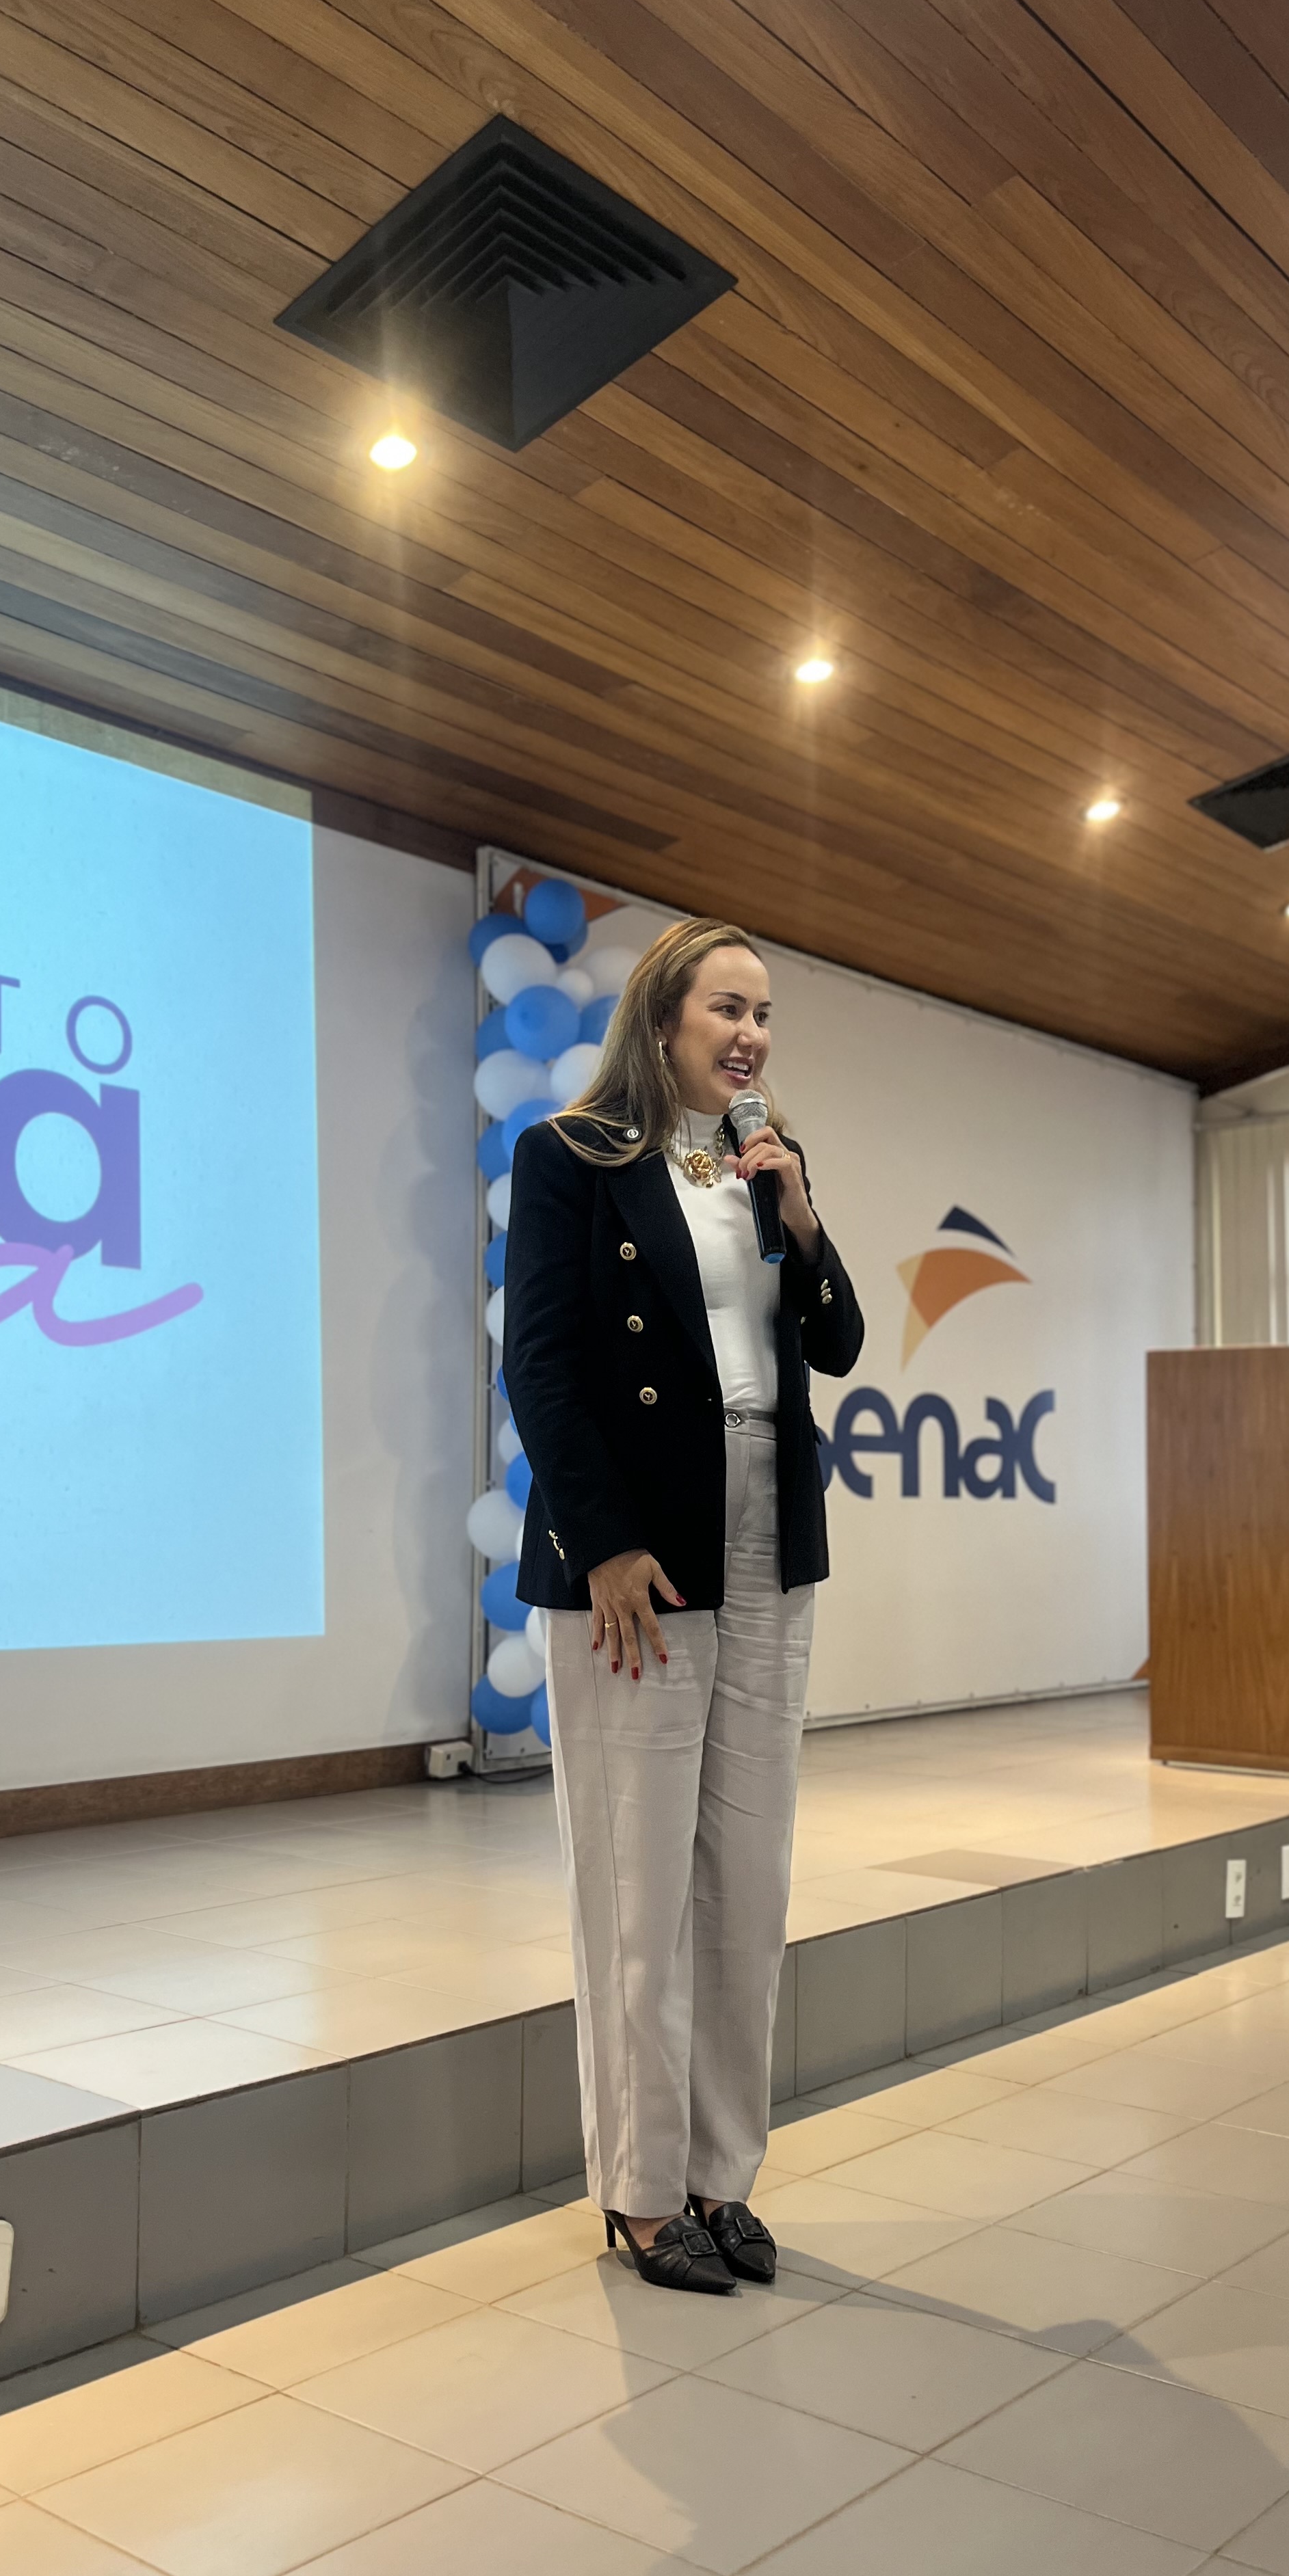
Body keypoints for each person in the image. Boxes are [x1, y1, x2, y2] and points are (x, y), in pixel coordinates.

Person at [503, 919, 864, 2292]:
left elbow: (837, 1341)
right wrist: (599, 1542)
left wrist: (801, 1216)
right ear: (662, 1019)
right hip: (639, 1549)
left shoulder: (769, 1162)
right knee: (638, 1887)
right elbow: (539, 1365)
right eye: (728, 1007)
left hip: (769, 1528)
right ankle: (645, 2193)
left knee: (746, 1882)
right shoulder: (573, 1157)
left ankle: (723, 2176)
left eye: (765, 1013)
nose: (753, 1034)